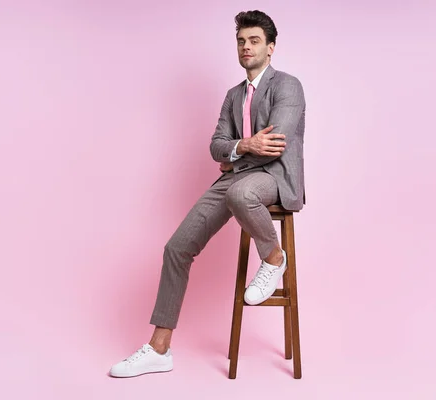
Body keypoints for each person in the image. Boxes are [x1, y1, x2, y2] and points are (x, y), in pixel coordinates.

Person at [109, 10, 306, 378]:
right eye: (241, 41)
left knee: (242, 192)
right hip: (234, 180)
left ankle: (274, 256)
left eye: (254, 41)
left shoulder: (288, 86)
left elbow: (276, 144)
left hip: (272, 178)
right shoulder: (233, 96)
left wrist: (237, 152)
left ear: (271, 47)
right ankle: (159, 348)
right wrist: (245, 145)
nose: (246, 47)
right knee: (176, 248)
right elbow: (216, 147)